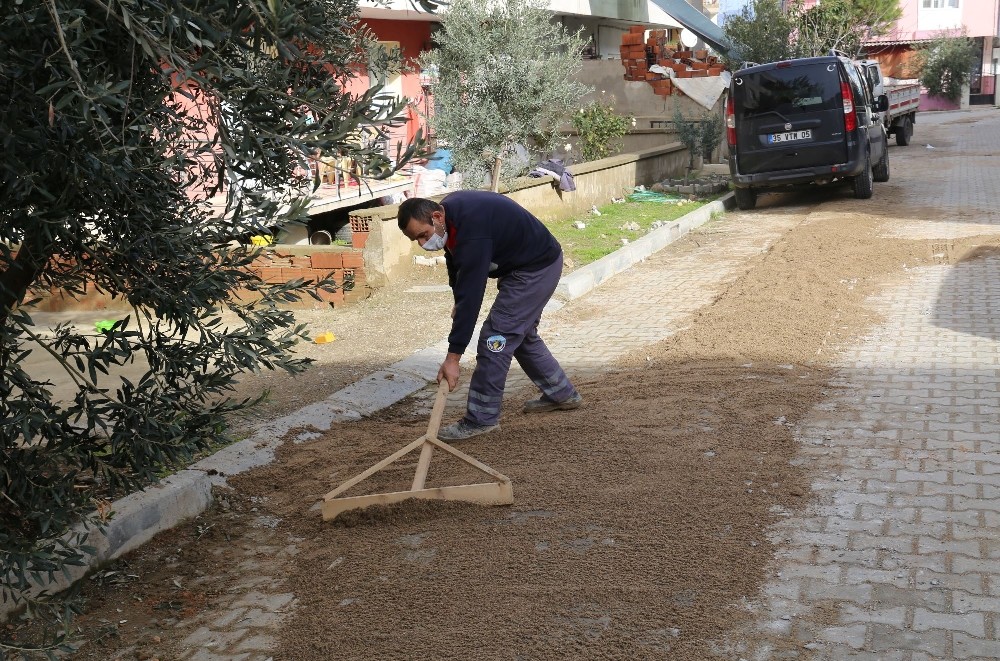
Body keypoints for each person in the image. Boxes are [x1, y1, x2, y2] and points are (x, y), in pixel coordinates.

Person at [397, 191, 582, 441]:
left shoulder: (472, 230)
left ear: (437, 217)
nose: (422, 244)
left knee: (495, 339)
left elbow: (473, 292)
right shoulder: (451, 216)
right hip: (525, 264)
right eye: (416, 239)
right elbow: (456, 262)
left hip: (535, 269)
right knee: (519, 335)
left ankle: (481, 419)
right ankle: (562, 394)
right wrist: (458, 300)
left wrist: (453, 358)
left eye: (423, 235)